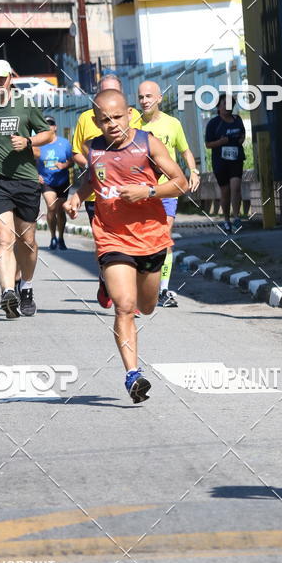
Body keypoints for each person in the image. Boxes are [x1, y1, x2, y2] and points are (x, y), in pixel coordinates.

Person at [65, 90, 187, 403]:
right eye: (105, 119)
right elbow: (92, 180)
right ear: (95, 121)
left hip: (151, 236)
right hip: (112, 235)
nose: (112, 124)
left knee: (146, 306)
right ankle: (133, 375)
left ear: (129, 113)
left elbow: (180, 182)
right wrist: (77, 197)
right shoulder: (92, 148)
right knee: (124, 305)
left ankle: (111, 284)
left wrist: (148, 191)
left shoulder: (147, 143)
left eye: (118, 117)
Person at [0, 59, 54, 319]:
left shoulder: (24, 104)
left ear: (9, 79)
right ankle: (7, 292)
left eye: (0, 79)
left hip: (25, 179)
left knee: (27, 241)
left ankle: (25, 285)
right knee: (4, 237)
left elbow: (47, 133)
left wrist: (28, 141)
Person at [71, 73, 142, 307]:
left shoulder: (134, 116)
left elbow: (140, 148)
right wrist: (98, 165)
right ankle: (106, 278)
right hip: (98, 194)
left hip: (129, 191)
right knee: (105, 242)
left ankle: (129, 291)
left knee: (132, 239)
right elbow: (77, 153)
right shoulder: (85, 119)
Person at [138, 80, 201, 307]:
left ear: (159, 98)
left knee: (164, 239)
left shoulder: (172, 124)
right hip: (142, 193)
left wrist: (193, 171)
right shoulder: (134, 125)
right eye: (141, 97)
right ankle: (143, 287)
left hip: (167, 190)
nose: (145, 101)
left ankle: (163, 290)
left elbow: (185, 151)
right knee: (143, 241)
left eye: (148, 96)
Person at [204, 92, 246, 233]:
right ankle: (226, 220)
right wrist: (220, 142)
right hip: (220, 162)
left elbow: (242, 134)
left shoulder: (237, 119)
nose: (227, 107)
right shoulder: (213, 123)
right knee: (225, 191)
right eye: (224, 104)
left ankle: (236, 218)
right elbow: (208, 144)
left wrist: (241, 140)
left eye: (230, 104)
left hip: (236, 159)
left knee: (236, 187)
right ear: (218, 106)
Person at [35, 116, 73, 250]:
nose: (49, 127)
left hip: (62, 181)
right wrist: (36, 174)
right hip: (47, 181)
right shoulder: (38, 144)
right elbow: (29, 162)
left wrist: (64, 165)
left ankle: (61, 237)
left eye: (51, 124)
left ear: (55, 127)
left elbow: (72, 160)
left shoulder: (64, 143)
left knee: (61, 211)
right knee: (51, 207)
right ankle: (52, 237)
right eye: (46, 125)